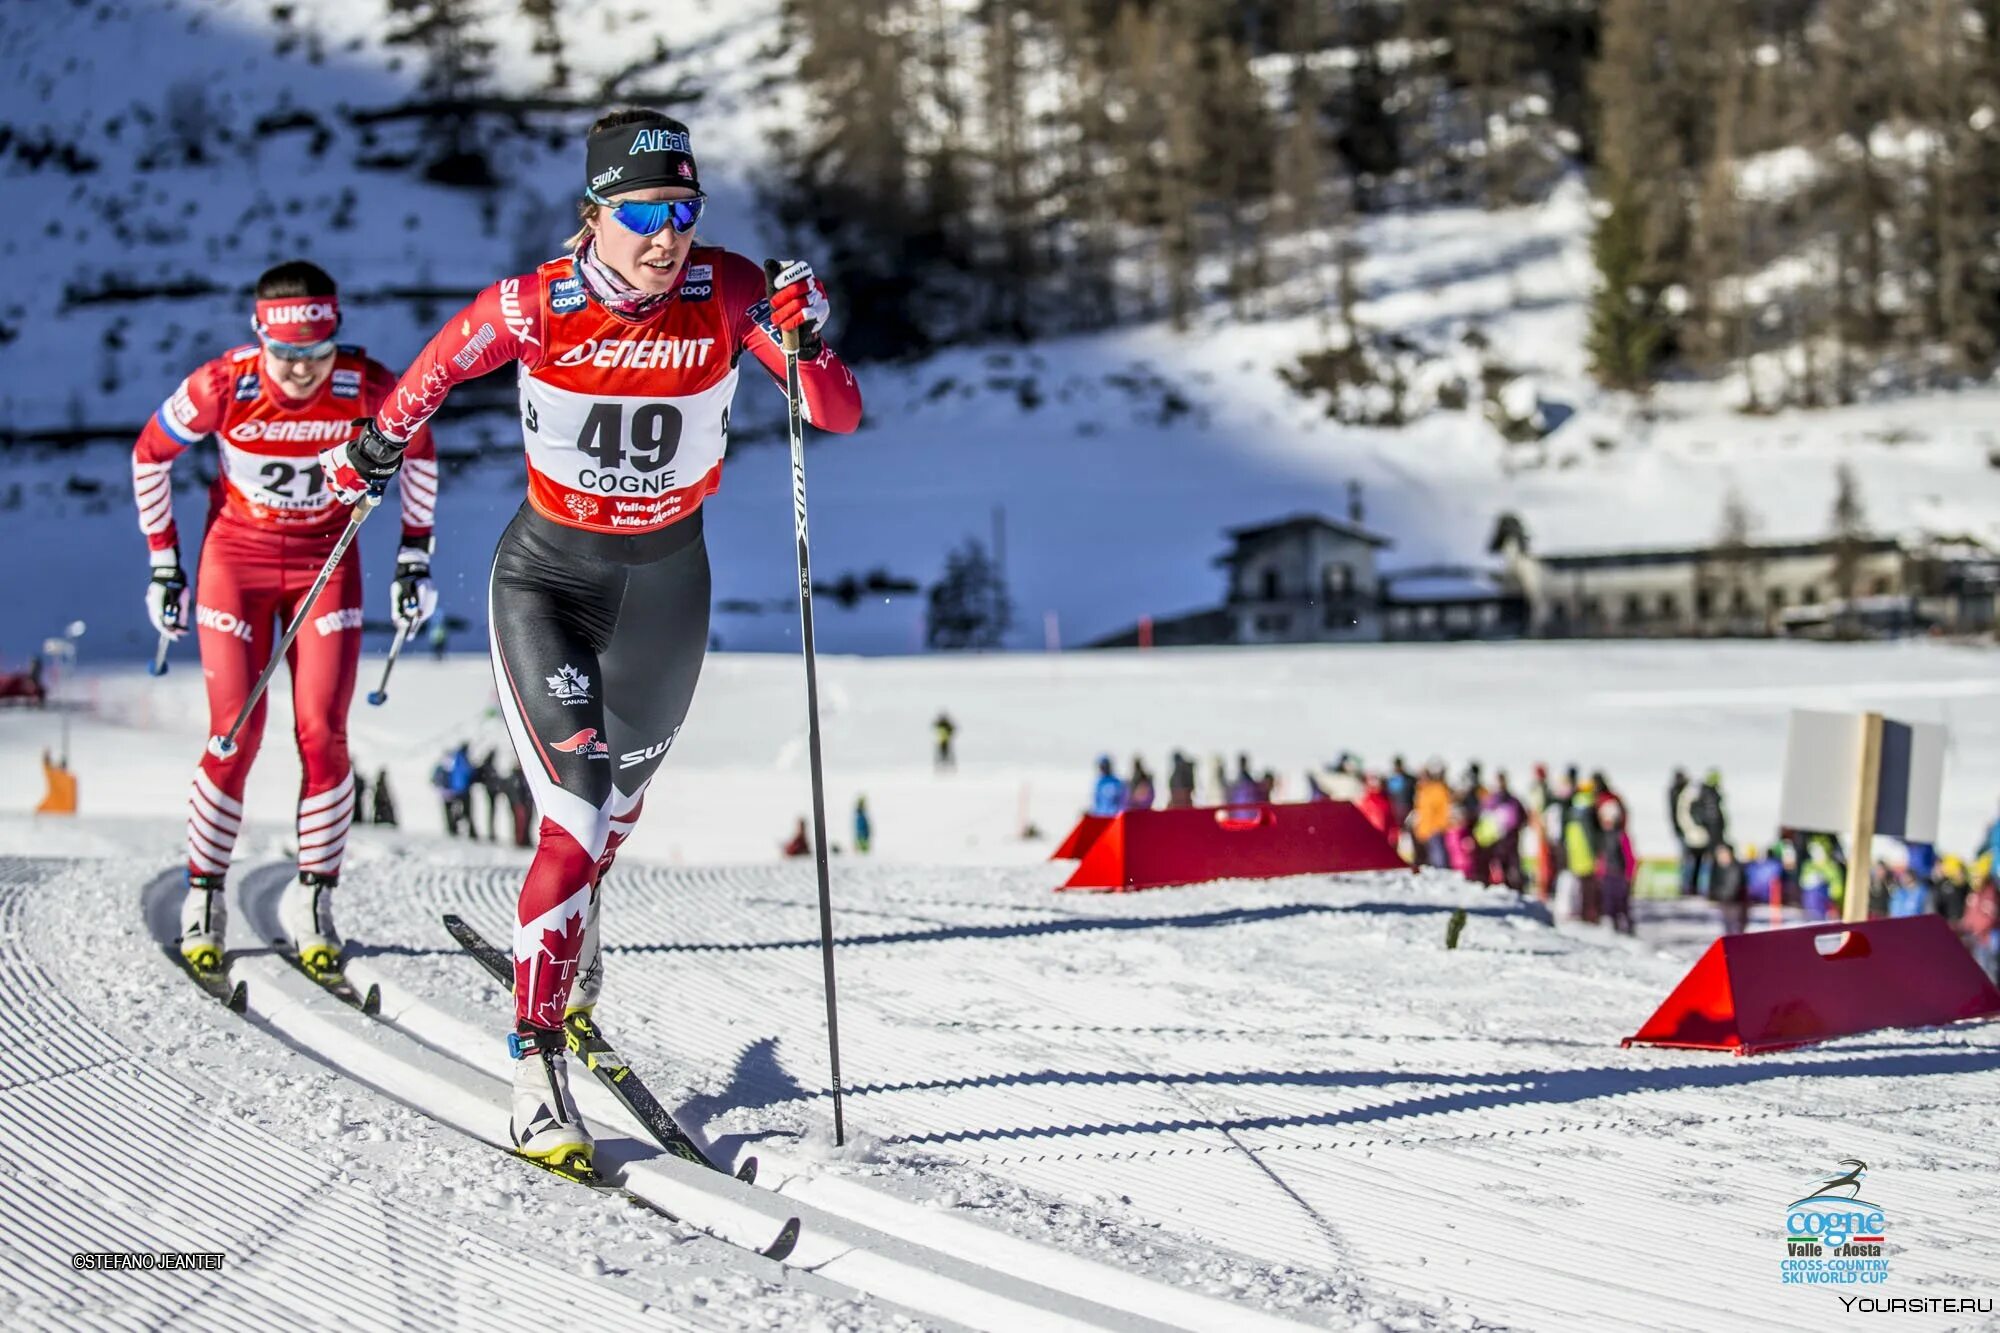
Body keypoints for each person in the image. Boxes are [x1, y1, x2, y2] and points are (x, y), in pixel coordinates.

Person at [317, 108, 861, 1176]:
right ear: (593, 216)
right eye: (645, 213)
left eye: (684, 212)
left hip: (667, 587)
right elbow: (424, 380)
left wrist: (805, 336)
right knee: (574, 807)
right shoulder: (528, 305)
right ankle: (534, 1062)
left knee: (614, 821)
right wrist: (372, 449)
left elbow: (832, 413)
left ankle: (572, 926)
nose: (667, 236)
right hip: (549, 581)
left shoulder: (731, 290)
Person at [136, 260, 439, 978]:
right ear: (260, 338)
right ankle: (204, 893)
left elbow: (420, 451)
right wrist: (163, 564)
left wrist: (414, 559)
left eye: (315, 353)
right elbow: (149, 455)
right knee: (233, 732)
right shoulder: (223, 385)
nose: (301, 370)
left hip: (327, 561)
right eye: (286, 354)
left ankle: (314, 898)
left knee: (323, 734)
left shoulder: (365, 385)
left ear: (336, 338)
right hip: (235, 563)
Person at [1599, 801, 1638, 934]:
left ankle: (1628, 930)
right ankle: (1614, 930)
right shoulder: (1602, 836)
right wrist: (1600, 873)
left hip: (1620, 876)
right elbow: (1601, 857)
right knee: (1610, 906)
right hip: (1608, 875)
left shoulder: (1621, 836)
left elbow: (1629, 857)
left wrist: (1629, 875)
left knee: (1623, 906)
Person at [1709, 841, 1747, 936]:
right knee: (1728, 927)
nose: (1720, 857)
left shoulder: (1734, 868)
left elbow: (1733, 888)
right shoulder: (1718, 868)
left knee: (1735, 928)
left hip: (1735, 903)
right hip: (1726, 902)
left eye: (1723, 854)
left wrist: (1720, 895)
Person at [1667, 767, 1691, 893]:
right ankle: (1685, 886)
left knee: (1686, 859)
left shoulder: (1674, 792)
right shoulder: (1678, 792)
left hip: (1682, 831)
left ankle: (1685, 885)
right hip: (1683, 831)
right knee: (1686, 859)